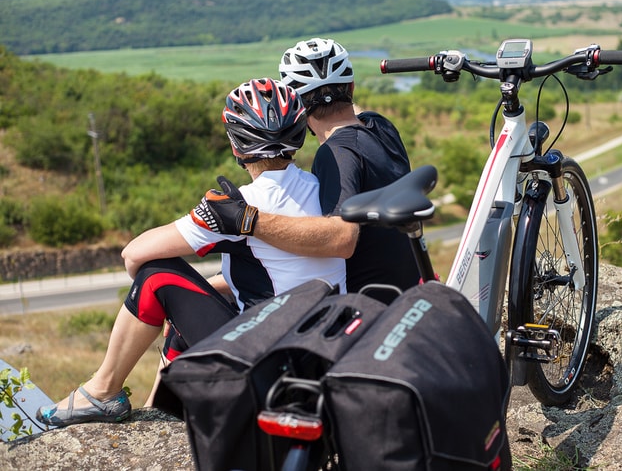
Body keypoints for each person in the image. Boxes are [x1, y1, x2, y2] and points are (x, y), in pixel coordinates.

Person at [36, 78, 346, 427]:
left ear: (236, 144)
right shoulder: (323, 189)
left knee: (156, 277)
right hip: (322, 350)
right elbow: (283, 273)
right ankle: (159, 406)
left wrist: (162, 298)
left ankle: (103, 391)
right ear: (299, 134)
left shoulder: (235, 206)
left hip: (268, 360)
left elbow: (133, 255)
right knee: (194, 302)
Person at [201, 38, 419, 303]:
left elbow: (341, 238)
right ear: (351, 87)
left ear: (296, 103)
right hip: (405, 288)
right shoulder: (380, 127)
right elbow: (353, 113)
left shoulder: (335, 155)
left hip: (362, 301)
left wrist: (248, 220)